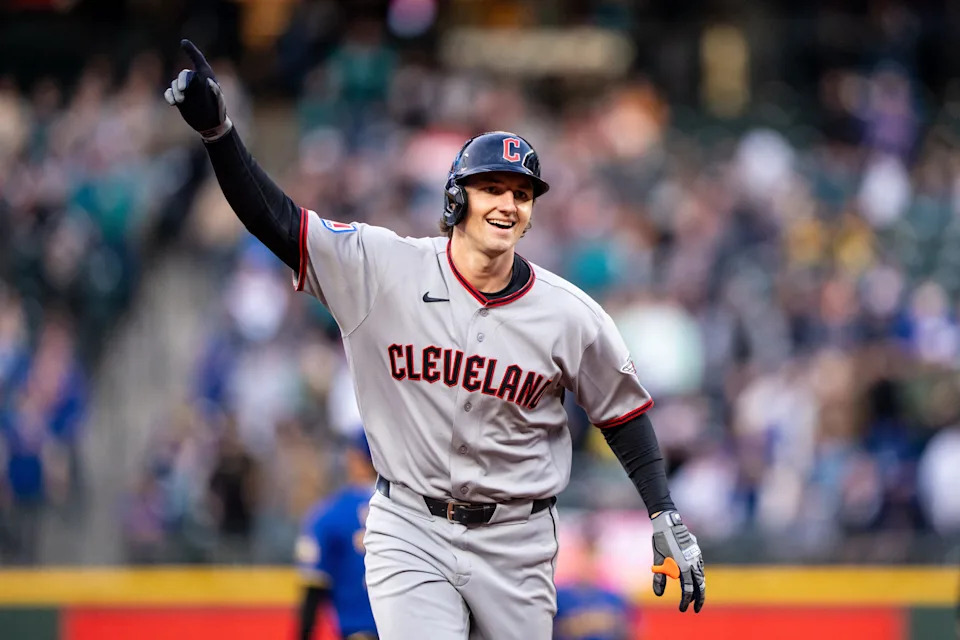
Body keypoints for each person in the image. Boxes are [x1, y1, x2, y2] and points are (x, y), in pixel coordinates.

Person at [164, 39, 705, 640]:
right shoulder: (384, 268)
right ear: (457, 197)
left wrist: (663, 511)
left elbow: (623, 414)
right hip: (409, 523)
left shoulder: (570, 313)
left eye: (520, 194)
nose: (507, 204)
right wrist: (220, 135)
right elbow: (277, 220)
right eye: (491, 188)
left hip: (518, 540)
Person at [295, 431, 378, 640]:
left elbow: (313, 591)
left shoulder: (329, 514)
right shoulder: (412, 510)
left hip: (358, 631)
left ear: (354, 458)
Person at [554, 520, 634, 640]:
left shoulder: (615, 598)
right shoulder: (559, 596)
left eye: (593, 552)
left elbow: (628, 632)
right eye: (585, 552)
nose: (589, 560)